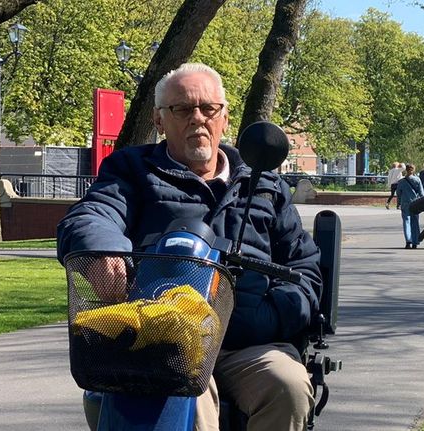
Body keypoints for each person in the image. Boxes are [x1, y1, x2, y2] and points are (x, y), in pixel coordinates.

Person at [56, 63, 321, 431]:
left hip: (249, 345)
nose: (197, 118)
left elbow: (304, 270)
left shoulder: (265, 186)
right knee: (182, 393)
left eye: (208, 108)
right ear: (160, 121)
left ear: (225, 118)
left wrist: (263, 317)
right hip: (165, 340)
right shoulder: (132, 170)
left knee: (288, 387)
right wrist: (103, 250)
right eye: (182, 109)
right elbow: (94, 213)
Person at [395, 163, 424, 249]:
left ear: (406, 170)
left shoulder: (401, 181)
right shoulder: (417, 180)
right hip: (415, 203)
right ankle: (415, 242)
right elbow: (422, 193)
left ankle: (408, 241)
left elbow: (398, 194)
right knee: (415, 222)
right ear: (413, 170)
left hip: (405, 203)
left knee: (406, 222)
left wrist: (398, 203)